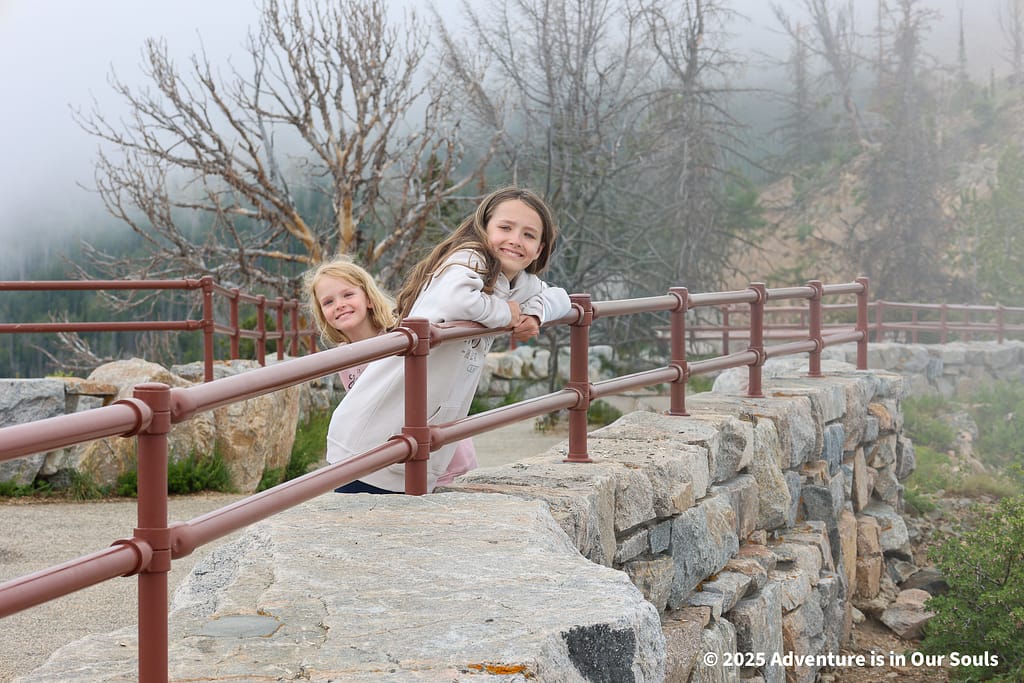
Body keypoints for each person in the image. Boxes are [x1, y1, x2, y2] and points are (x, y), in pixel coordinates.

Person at [325, 186, 572, 493]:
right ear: (483, 229)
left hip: (413, 440)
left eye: (528, 235)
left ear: (539, 249)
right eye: (505, 227)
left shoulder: (515, 283)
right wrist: (508, 316)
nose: (515, 240)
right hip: (371, 437)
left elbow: (560, 298)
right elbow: (457, 300)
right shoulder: (467, 260)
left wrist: (534, 315)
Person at [304, 256, 479, 490]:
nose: (339, 305)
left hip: (441, 461)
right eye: (328, 302)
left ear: (367, 297)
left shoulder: (400, 340)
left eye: (348, 295)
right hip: (393, 458)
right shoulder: (344, 357)